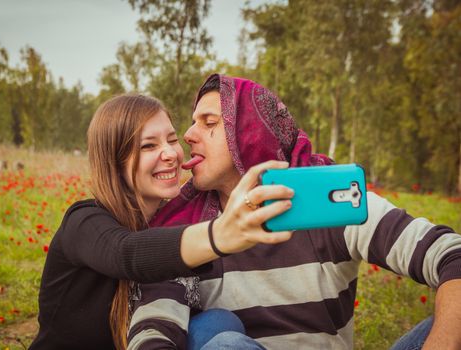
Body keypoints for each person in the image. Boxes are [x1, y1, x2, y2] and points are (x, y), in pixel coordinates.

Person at [127, 74, 461, 349]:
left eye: (209, 122)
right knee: (225, 343)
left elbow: (451, 256)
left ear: (248, 133)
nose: (187, 136)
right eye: (192, 123)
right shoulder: (187, 231)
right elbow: (153, 329)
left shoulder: (332, 201)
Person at [29, 94, 296, 350]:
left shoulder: (174, 220)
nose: (170, 154)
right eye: (149, 146)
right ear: (114, 161)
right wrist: (220, 234)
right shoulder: (84, 222)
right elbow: (126, 253)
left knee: (218, 322)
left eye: (171, 140)